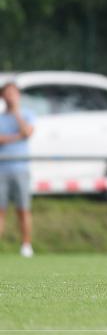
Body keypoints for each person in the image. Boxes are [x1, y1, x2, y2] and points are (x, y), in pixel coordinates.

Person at [0, 81, 36, 258]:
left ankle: (26, 246)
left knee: (23, 209)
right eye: (7, 93)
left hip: (21, 168)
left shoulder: (27, 114)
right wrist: (17, 137)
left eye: (13, 93)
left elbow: (27, 133)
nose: (10, 96)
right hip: (1, 169)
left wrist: (16, 113)